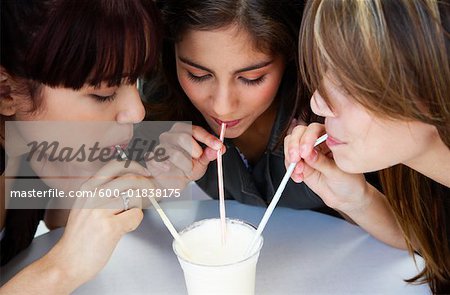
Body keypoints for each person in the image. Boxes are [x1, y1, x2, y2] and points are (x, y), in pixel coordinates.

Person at [144, 0, 406, 250]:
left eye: (252, 78)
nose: (222, 107)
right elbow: (106, 195)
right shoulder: (155, 100)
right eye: (197, 75)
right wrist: (148, 181)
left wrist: (360, 202)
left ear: (289, 55)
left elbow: (426, 243)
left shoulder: (338, 109)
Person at [284, 0, 450, 293]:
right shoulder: (424, 182)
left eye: (348, 84)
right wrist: (356, 200)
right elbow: (436, 240)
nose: (317, 103)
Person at [0, 0, 161, 293]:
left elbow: (56, 219)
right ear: (6, 92)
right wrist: (62, 268)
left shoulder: (30, 140)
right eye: (104, 93)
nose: (137, 111)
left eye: (136, 80)